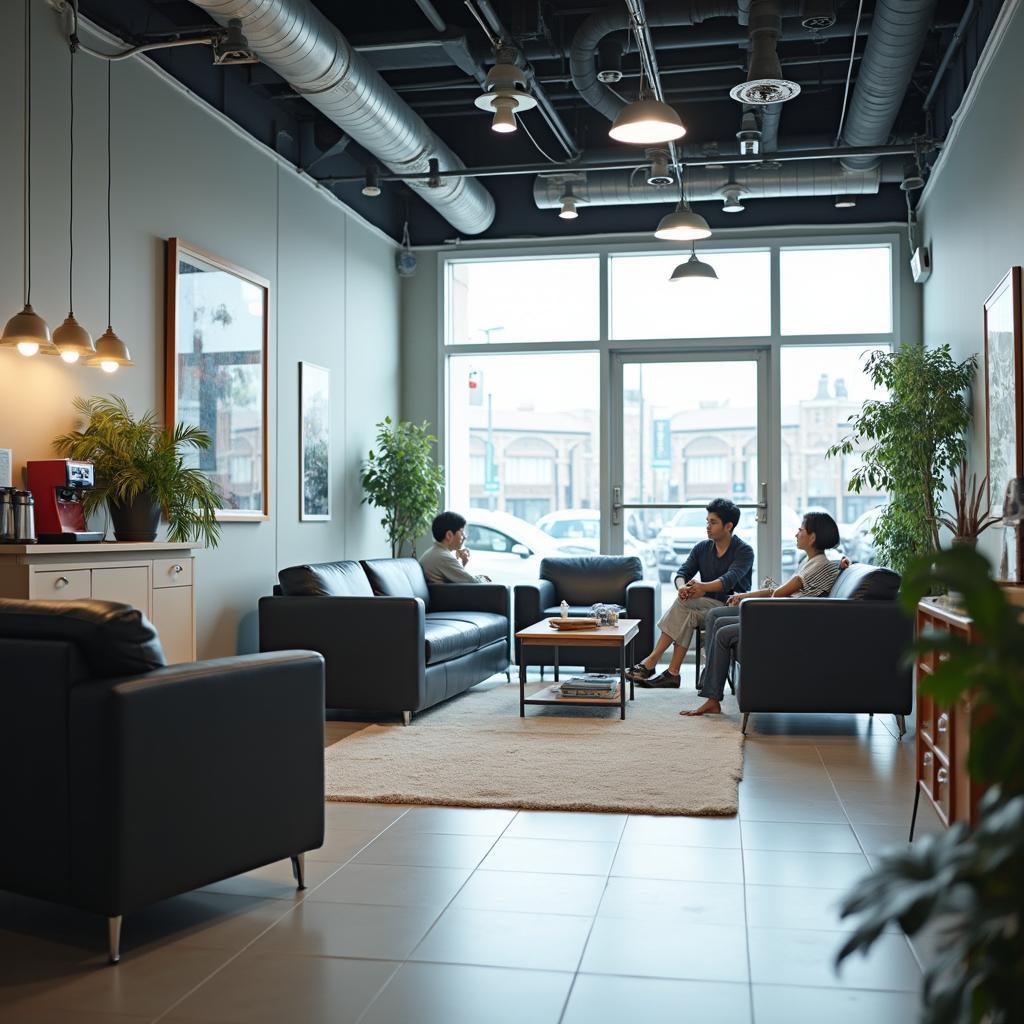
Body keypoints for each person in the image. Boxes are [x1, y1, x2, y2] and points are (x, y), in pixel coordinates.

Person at [681, 511, 847, 717]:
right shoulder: (812, 561)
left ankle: (712, 695)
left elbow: (778, 593)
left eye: (801, 530)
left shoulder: (819, 564)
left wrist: (841, 564)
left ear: (812, 537)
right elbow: (778, 591)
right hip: (781, 615)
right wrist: (744, 595)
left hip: (786, 621)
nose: (796, 534)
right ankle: (711, 688)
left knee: (723, 632)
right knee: (716, 616)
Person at [626, 498, 754, 689]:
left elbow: (729, 580)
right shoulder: (702, 548)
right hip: (703, 607)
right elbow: (682, 573)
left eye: (713, 522)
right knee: (687, 610)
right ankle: (672, 672)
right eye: (707, 521)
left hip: (731, 607)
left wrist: (702, 587)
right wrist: (682, 588)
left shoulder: (744, 551)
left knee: (684, 608)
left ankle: (652, 663)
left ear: (729, 526)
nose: (708, 527)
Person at [419, 510, 491, 584]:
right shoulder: (443, 556)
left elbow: (461, 581)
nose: (464, 536)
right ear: (449, 535)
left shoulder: (436, 551)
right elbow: (472, 583)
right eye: (461, 532)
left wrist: (463, 563)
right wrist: (483, 579)